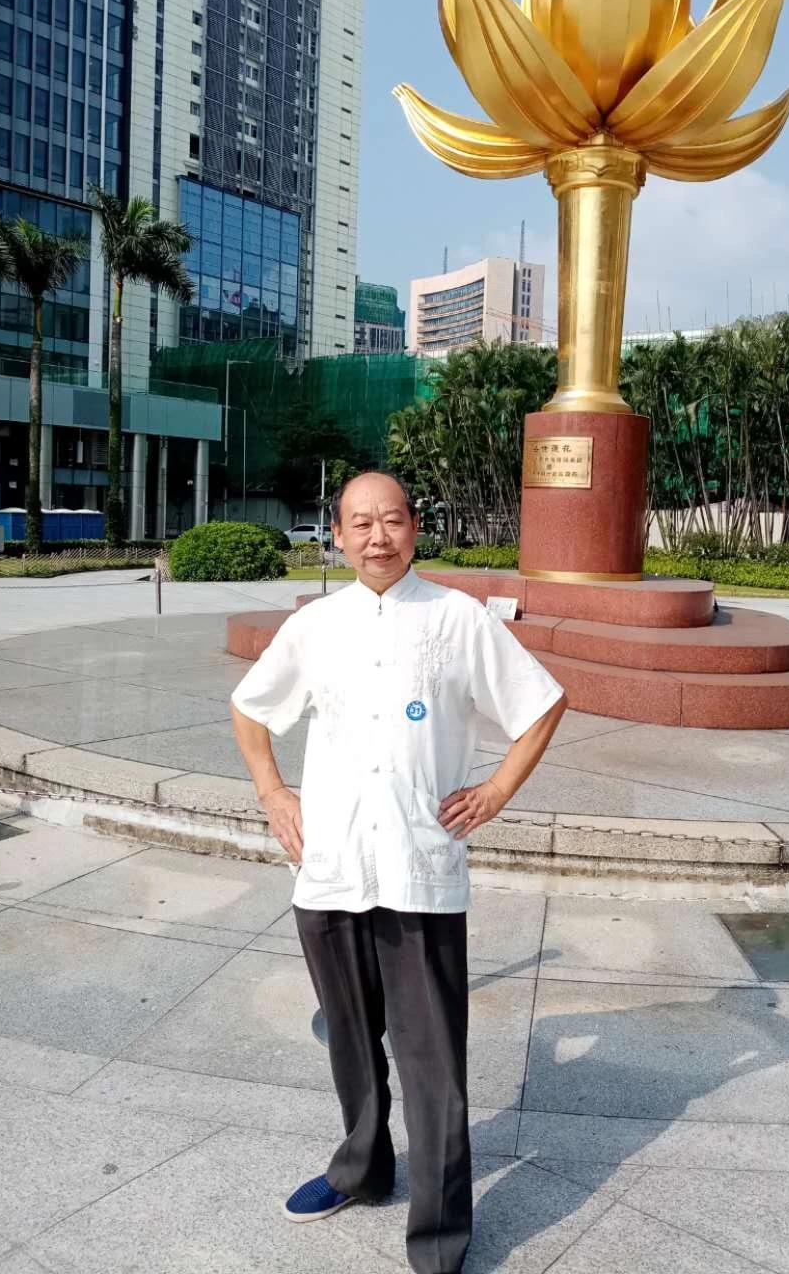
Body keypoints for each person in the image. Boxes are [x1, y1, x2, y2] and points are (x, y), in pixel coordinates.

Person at [230, 471, 567, 1274]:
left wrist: (495, 791)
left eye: (391, 520)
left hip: (420, 869)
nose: (377, 536)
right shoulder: (315, 625)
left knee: (432, 1062)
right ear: (337, 536)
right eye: (360, 523)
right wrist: (274, 793)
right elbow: (250, 706)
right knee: (350, 1039)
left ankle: (441, 1234)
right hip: (332, 865)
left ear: (415, 527)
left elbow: (542, 703)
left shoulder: (459, 619)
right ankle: (362, 1168)